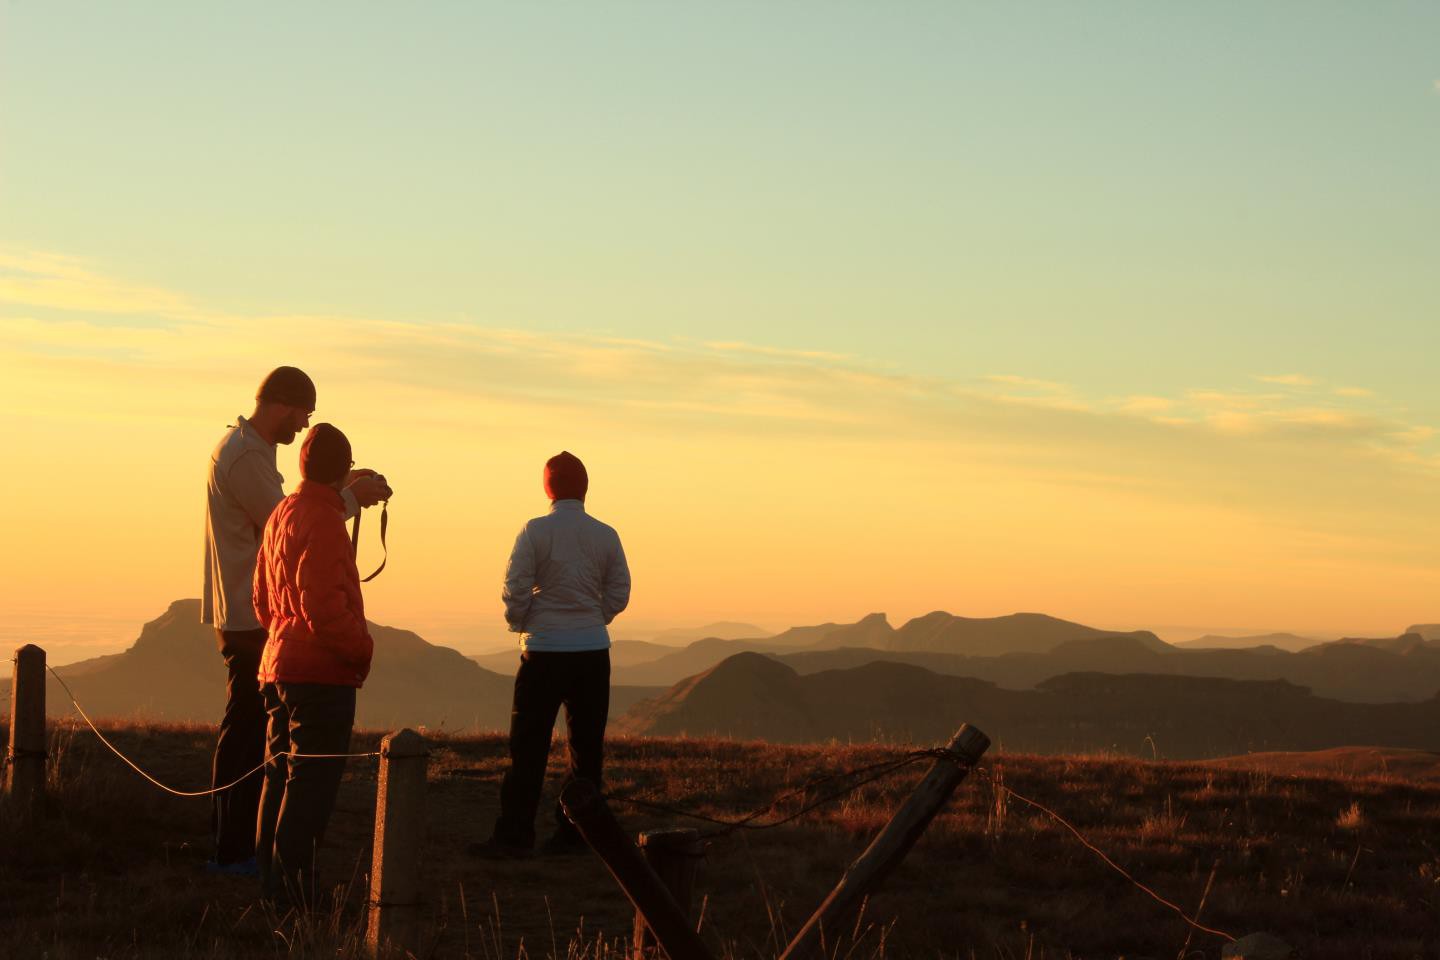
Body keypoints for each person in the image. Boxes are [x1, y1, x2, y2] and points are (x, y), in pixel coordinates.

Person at [201, 367, 386, 875]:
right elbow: (294, 523)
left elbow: (289, 516)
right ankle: (238, 850)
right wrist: (349, 495)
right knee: (253, 741)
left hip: (254, 611)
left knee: (258, 738)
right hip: (255, 618)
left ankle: (245, 850)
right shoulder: (246, 457)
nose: (304, 424)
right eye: (305, 412)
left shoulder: (244, 451)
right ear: (282, 404)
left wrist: (338, 485)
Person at [474, 450, 632, 858]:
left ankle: (514, 835)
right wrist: (596, 616)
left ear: (548, 488)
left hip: (542, 651)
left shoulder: (534, 531)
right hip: (592, 651)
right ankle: (578, 837)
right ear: (584, 488)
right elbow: (620, 589)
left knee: (527, 747)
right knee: (586, 748)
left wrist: (524, 623)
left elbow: (515, 587)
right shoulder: (605, 533)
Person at [252, 422, 376, 906]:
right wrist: (360, 649)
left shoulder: (282, 511)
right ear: (344, 470)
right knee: (311, 786)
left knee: (278, 775)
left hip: (278, 663)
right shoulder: (324, 522)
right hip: (319, 673)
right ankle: (294, 892)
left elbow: (261, 598)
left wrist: (283, 636)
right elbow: (323, 606)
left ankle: (271, 883)